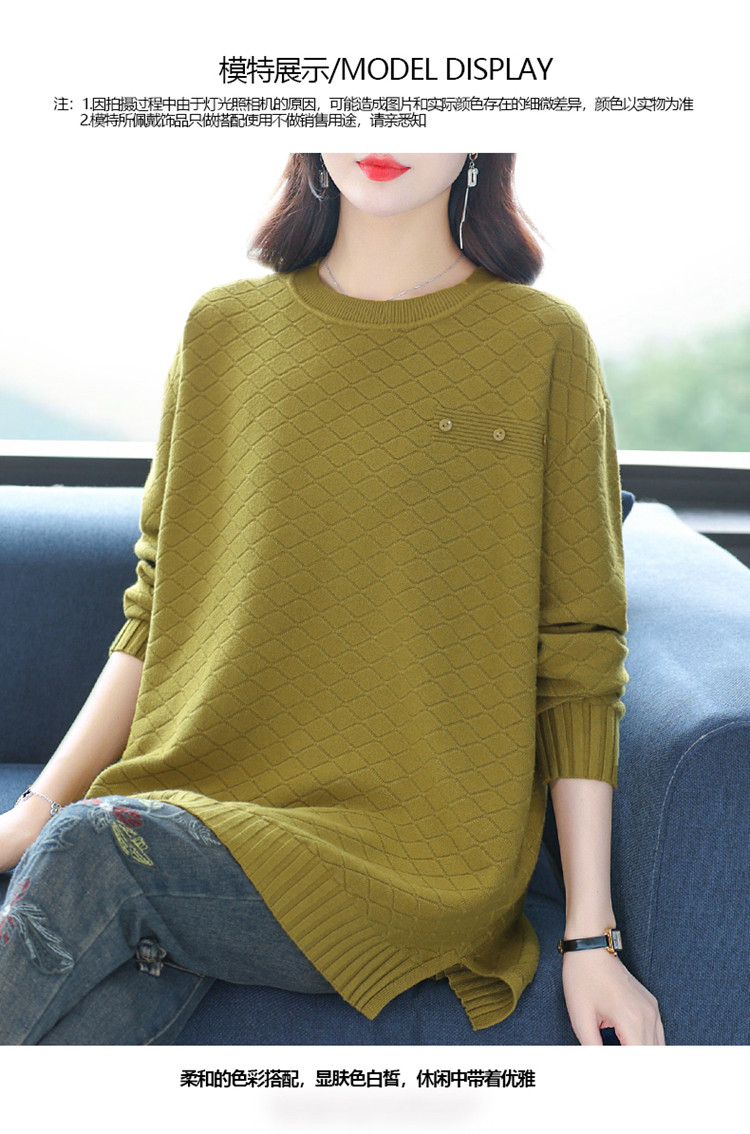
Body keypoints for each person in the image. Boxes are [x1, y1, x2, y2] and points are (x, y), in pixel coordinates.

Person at [0, 153, 665, 1045]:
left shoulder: (541, 343)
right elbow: (156, 611)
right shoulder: (221, 331)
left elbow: (579, 649)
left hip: (415, 856)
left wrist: (591, 935)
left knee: (97, 851)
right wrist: (32, 812)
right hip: (196, 809)